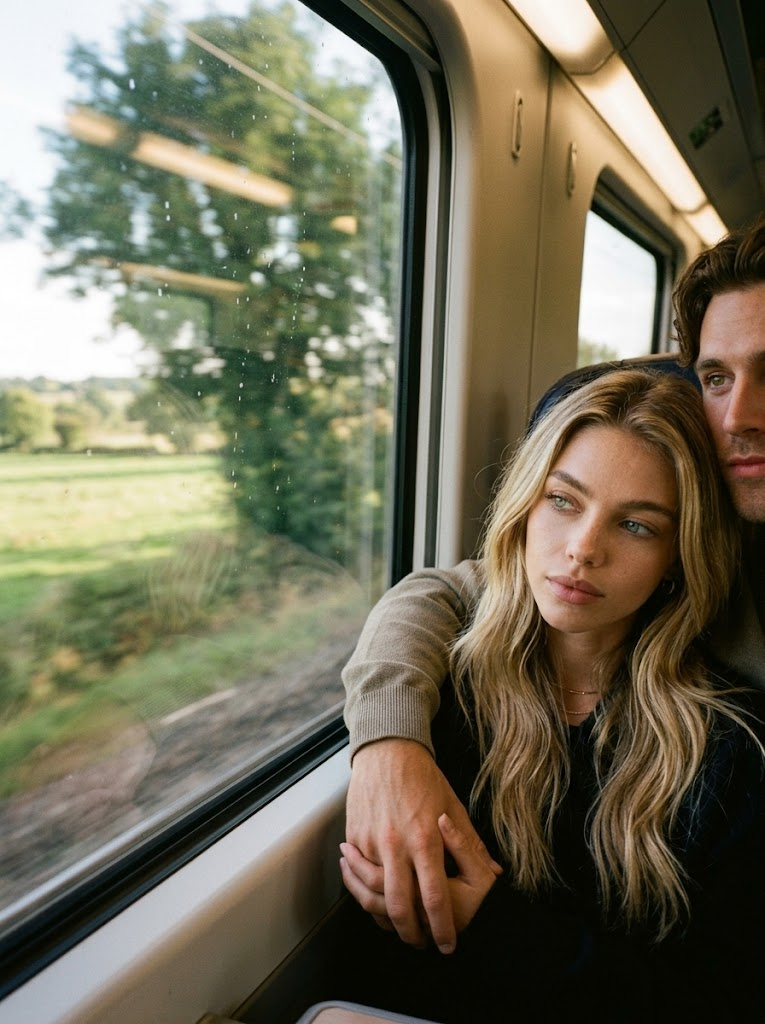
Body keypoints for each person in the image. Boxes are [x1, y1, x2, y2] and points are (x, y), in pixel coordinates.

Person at [341, 214, 765, 956]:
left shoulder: (727, 754)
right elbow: (448, 589)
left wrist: (499, 931)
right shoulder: (462, 692)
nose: (739, 418)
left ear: (679, 554)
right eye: (716, 377)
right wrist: (385, 741)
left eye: (637, 525)